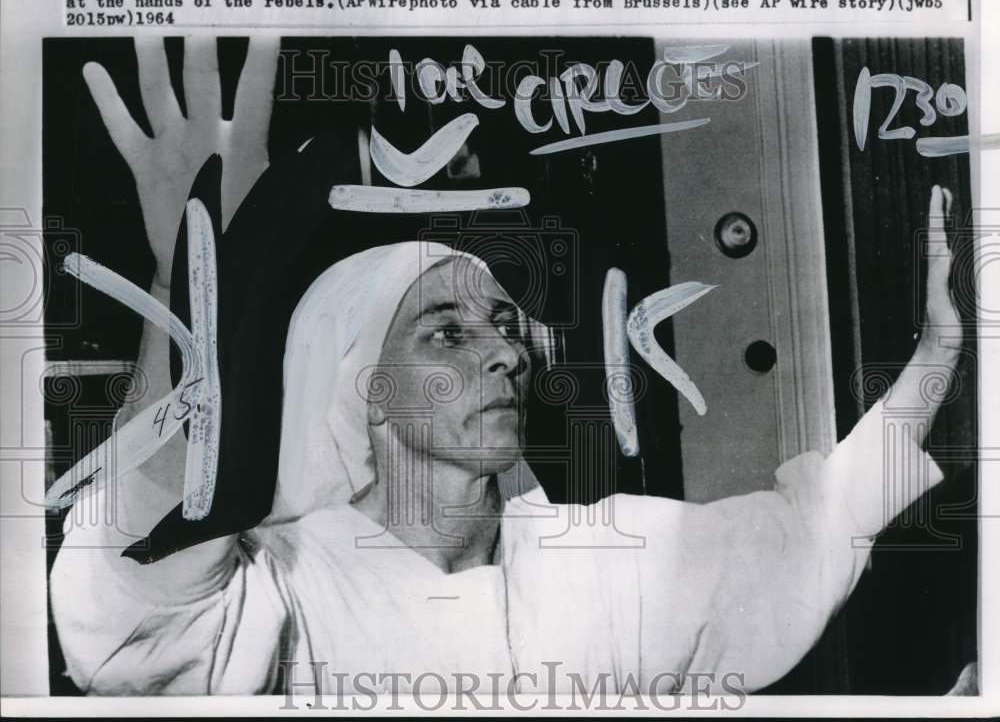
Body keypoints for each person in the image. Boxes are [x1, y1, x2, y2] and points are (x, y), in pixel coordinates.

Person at [50, 39, 963, 698]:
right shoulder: (280, 585)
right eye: (443, 333)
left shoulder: (607, 562)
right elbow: (125, 588)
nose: (504, 349)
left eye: (502, 323)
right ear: (364, 388)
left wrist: (938, 353)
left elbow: (815, 522)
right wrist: (200, 276)